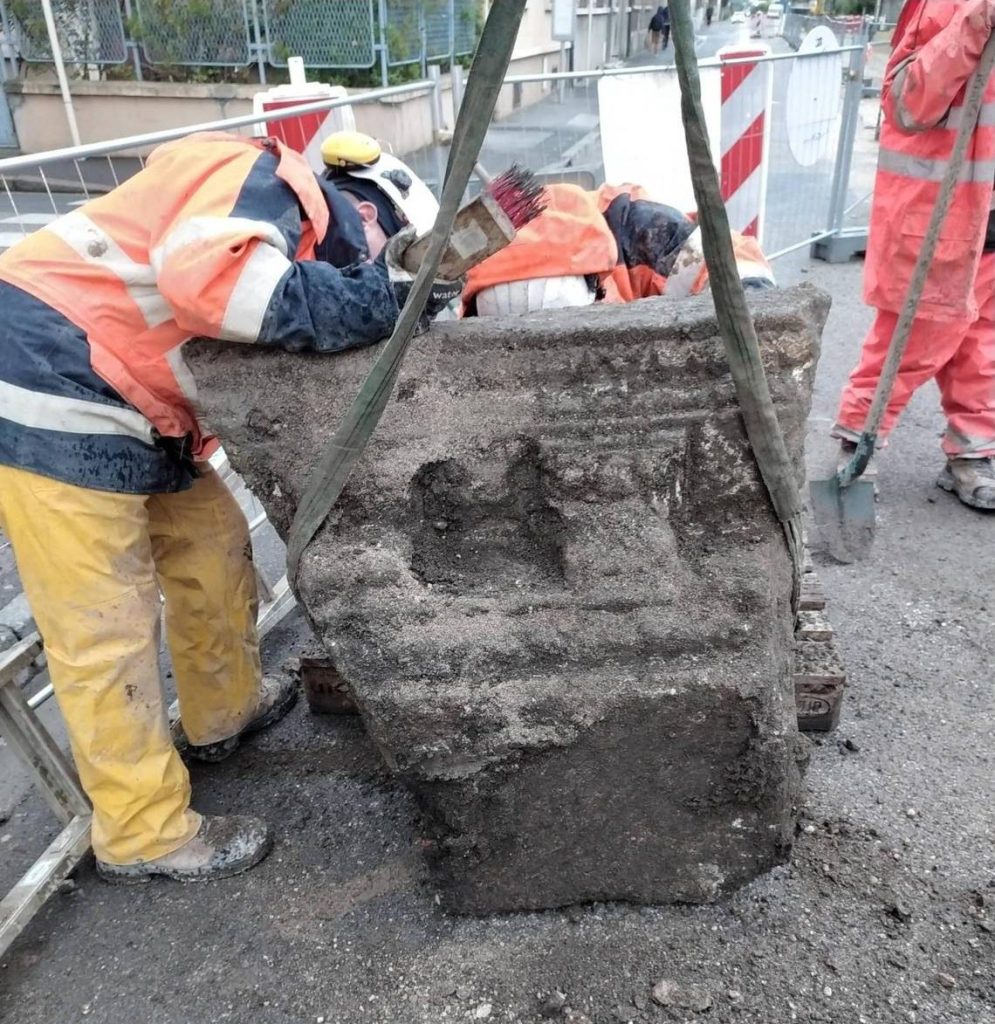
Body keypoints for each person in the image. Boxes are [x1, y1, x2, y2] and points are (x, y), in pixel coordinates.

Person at [0, 130, 457, 883]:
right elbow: (224, 289)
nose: (366, 261)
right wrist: (383, 297)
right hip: (45, 381)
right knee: (102, 626)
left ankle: (223, 711)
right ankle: (142, 831)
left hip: (128, 402)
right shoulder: (259, 179)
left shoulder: (276, 225)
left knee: (212, 542)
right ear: (366, 210)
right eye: (379, 246)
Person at [832, 0, 995, 511]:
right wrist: (974, 24)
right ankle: (856, 444)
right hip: (945, 218)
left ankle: (973, 453)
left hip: (989, 221)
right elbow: (908, 102)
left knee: (983, 351)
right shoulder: (945, 5)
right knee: (910, 344)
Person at [461, 182, 774, 317]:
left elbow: (736, 265)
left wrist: (750, 317)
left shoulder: (638, 231)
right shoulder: (476, 293)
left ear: (595, 286)